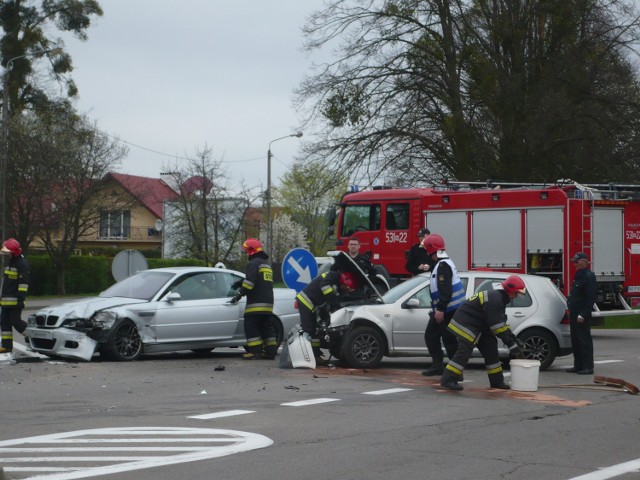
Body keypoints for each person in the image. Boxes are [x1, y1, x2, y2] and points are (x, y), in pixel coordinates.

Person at [440, 276, 527, 390]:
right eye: (516, 293)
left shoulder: (499, 298)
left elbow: (500, 322)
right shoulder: (496, 299)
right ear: (510, 290)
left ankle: (497, 382)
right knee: (464, 352)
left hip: (479, 326)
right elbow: (496, 325)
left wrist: (512, 337)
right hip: (467, 324)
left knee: (491, 349)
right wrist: (510, 343)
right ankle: (448, 379)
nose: (516, 296)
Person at [421, 234, 465, 376]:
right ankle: (440, 367)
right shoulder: (443, 263)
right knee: (433, 336)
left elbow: (445, 290)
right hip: (448, 309)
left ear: (431, 250)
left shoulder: (443, 266)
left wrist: (440, 310)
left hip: (447, 310)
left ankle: (454, 372)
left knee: (447, 340)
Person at [229, 238, 278, 360]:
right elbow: (258, 280)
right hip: (268, 304)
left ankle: (255, 351)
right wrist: (241, 282)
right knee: (267, 328)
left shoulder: (253, 263)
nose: (246, 254)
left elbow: (250, 283)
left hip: (255, 304)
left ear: (251, 251)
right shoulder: (266, 264)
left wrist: (238, 295)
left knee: (251, 326)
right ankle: (271, 352)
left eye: (246, 251)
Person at [296, 270, 357, 365]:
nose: (345, 288)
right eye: (345, 286)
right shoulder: (333, 275)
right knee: (308, 330)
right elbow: (325, 288)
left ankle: (316, 355)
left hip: (312, 304)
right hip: (306, 301)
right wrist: (333, 298)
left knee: (315, 330)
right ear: (342, 281)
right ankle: (306, 357)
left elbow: (334, 299)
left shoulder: (337, 282)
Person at [566, 252, 597, 375]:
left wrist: (583, 313)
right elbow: (575, 294)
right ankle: (578, 365)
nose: (574, 264)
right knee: (575, 340)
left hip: (581, 314)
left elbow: (590, 298)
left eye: (576, 262)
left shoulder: (589, 276)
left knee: (584, 340)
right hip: (574, 312)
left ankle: (588, 366)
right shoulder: (579, 275)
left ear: (584, 261)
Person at [0, 238, 30, 354]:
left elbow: (23, 284)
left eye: (9, 253)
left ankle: (32, 336)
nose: (7, 255)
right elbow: (6, 283)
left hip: (16, 301)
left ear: (14, 252)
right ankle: (6, 346)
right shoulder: (12, 262)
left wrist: (20, 298)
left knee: (16, 322)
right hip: (6, 301)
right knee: (4, 323)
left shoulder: (22, 264)